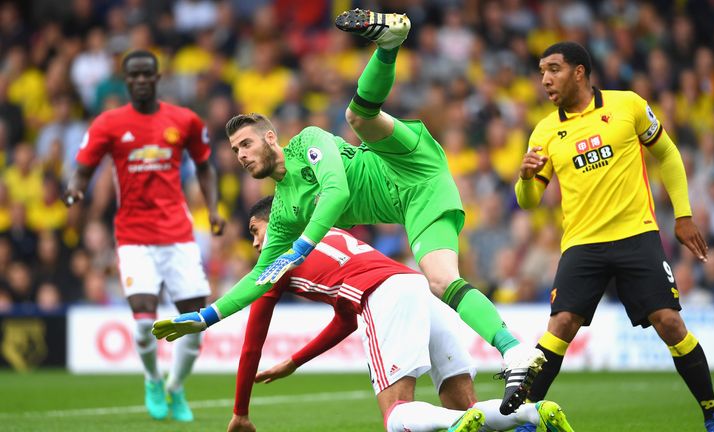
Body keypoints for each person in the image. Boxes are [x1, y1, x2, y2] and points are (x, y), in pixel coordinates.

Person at [152, 9, 543, 414]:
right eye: (235, 151)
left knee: (357, 116)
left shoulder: (308, 141)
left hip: (406, 161)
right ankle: (514, 351)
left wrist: (303, 246)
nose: (241, 155)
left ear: (271, 137)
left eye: (247, 144)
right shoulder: (284, 212)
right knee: (443, 281)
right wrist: (206, 316)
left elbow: (336, 191)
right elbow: (260, 277)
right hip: (419, 200)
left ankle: (389, 44)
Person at [512, 41, 714, 432]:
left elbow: (668, 154)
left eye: (554, 69)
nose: (545, 78)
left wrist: (683, 216)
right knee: (560, 324)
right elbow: (528, 202)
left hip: (636, 235)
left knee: (669, 323)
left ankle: (713, 416)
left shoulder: (627, 105)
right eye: (542, 70)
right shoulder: (545, 131)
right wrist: (525, 178)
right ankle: (530, 417)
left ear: (579, 72)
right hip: (582, 243)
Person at [226, 196, 573, 432]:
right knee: (464, 404)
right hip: (418, 287)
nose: (255, 244)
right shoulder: (326, 233)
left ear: (278, 221)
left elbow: (251, 346)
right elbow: (346, 318)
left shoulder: (274, 264)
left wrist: (240, 412)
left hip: (385, 296)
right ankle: (534, 413)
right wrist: (295, 362)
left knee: (396, 414)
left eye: (256, 231)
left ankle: (457, 422)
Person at [64, 50, 225, 422]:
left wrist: (214, 209)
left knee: (196, 326)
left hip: (178, 236)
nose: (139, 80)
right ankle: (153, 379)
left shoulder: (183, 120)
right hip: (134, 237)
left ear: (157, 77)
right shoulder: (109, 124)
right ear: (126, 80)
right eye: (132, 75)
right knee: (142, 324)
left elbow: (206, 167)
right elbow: (83, 168)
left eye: (145, 74)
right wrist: (75, 190)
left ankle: (176, 387)